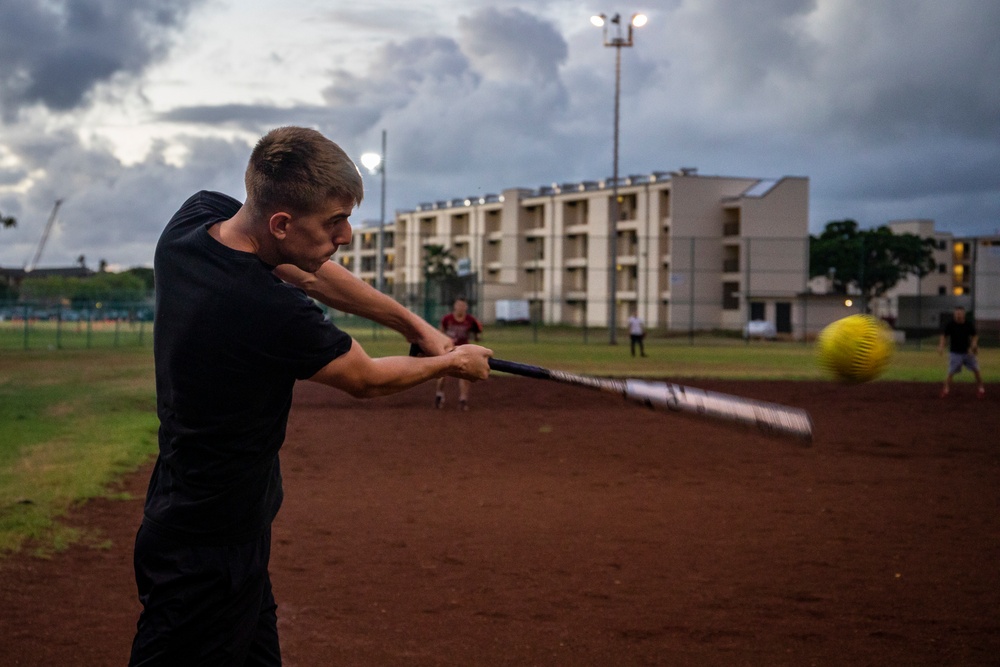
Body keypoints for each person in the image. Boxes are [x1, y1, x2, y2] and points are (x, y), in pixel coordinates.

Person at [128, 126, 492, 666]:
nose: (346, 234)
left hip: (216, 525)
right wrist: (452, 362)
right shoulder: (263, 308)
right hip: (206, 552)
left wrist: (416, 327)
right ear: (281, 224)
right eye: (333, 221)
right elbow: (365, 378)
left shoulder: (193, 223)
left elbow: (315, 278)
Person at [435, 297, 483, 410]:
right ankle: (439, 394)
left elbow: (477, 335)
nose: (461, 307)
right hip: (449, 350)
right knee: (442, 374)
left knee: (465, 374)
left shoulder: (470, 320)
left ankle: (463, 399)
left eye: (463, 305)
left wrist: (477, 335)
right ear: (455, 306)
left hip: (463, 351)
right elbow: (439, 333)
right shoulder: (447, 319)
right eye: (459, 305)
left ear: (466, 307)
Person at [938, 305, 985, 398]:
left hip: (968, 353)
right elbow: (944, 336)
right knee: (951, 372)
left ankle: (981, 388)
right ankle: (945, 390)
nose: (958, 315)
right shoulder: (950, 325)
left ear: (963, 314)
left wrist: (973, 344)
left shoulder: (968, 324)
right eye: (956, 313)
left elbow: (975, 336)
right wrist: (941, 346)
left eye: (959, 313)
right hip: (955, 353)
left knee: (976, 370)